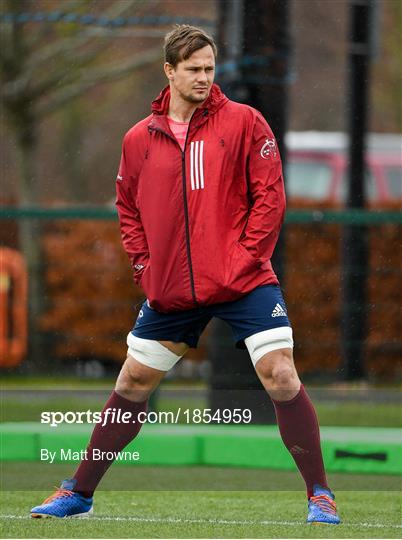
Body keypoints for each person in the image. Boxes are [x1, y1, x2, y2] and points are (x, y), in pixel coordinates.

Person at [31, 24, 340, 525]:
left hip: (244, 281)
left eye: (209, 69)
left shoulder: (245, 122)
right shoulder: (138, 139)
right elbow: (127, 207)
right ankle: (78, 492)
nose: (203, 78)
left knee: (280, 374)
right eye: (193, 69)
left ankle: (320, 495)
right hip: (171, 287)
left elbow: (271, 198)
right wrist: (144, 267)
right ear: (169, 71)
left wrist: (243, 258)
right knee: (133, 380)